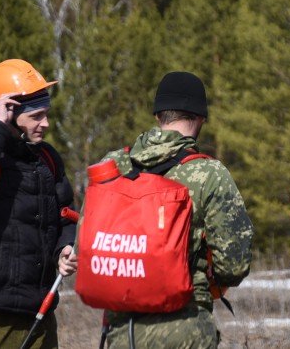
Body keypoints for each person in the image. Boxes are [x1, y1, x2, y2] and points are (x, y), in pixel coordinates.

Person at [98, 71, 253, 348]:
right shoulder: (209, 173)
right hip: (186, 329)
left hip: (122, 330)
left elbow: (87, 242)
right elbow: (234, 265)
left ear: (158, 115)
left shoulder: (114, 165)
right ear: (201, 118)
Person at [0, 59, 78, 348]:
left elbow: (65, 215)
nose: (45, 124)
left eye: (46, 114)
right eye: (36, 116)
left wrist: (65, 247)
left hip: (41, 313)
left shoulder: (47, 159)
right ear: (9, 112)